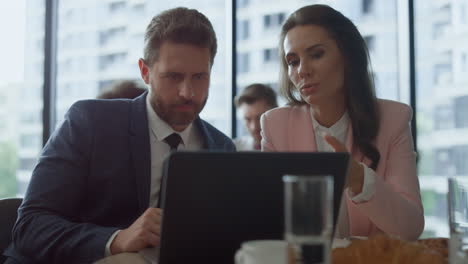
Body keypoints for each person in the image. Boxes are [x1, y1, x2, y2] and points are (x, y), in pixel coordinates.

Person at [4, 7, 235, 264]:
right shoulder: (90, 122)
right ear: (145, 72)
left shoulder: (221, 148)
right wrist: (116, 239)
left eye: (200, 77)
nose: (187, 93)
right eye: (174, 76)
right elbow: (30, 226)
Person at [260, 4, 424, 241]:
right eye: (293, 62)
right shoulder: (275, 125)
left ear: (349, 57)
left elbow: (410, 228)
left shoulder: (393, 119)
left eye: (316, 54)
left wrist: (360, 181)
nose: (302, 71)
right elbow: (268, 223)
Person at [234, 83, 278, 150]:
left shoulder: (290, 147)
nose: (254, 127)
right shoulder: (233, 148)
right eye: (247, 119)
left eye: (260, 118)